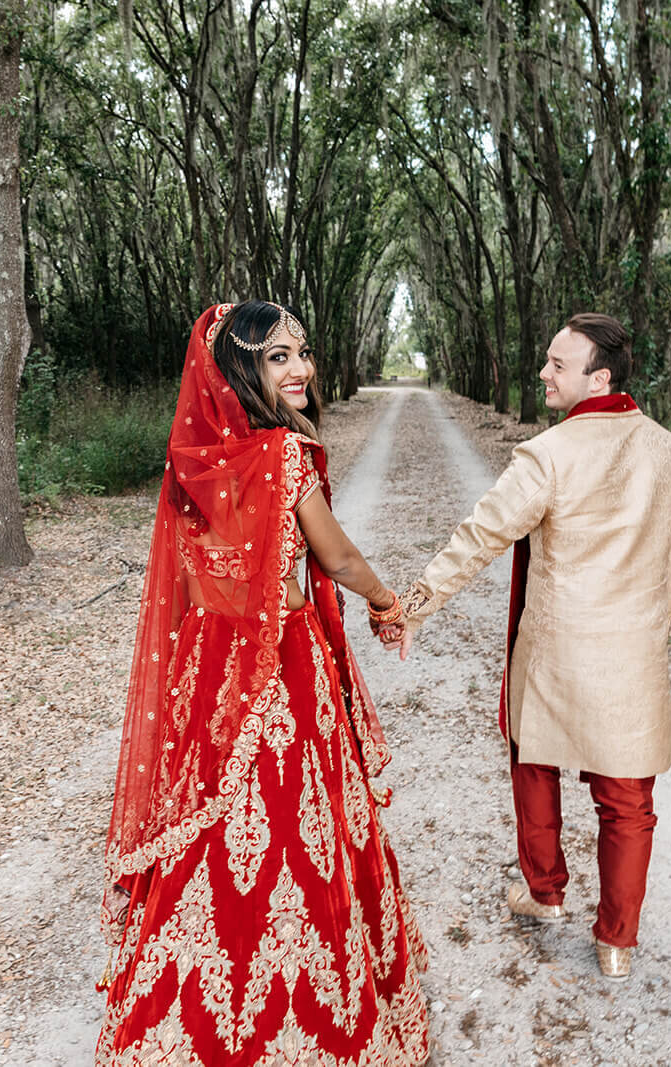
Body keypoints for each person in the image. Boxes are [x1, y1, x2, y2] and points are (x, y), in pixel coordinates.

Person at [97, 301, 430, 1065]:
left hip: (209, 664)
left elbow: (190, 579)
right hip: (279, 662)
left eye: (302, 352)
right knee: (289, 825)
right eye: (278, 357)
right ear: (240, 373)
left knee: (211, 828)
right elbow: (337, 558)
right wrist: (386, 603)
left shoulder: (194, 458)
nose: (301, 369)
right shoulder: (282, 455)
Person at [395, 312, 671, 982]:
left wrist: (415, 606)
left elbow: (481, 535)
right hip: (632, 654)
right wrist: (648, 632)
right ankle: (617, 940)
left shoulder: (550, 455)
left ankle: (545, 892)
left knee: (535, 761)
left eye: (559, 364)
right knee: (628, 801)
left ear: (601, 377)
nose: (543, 373)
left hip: (557, 650)